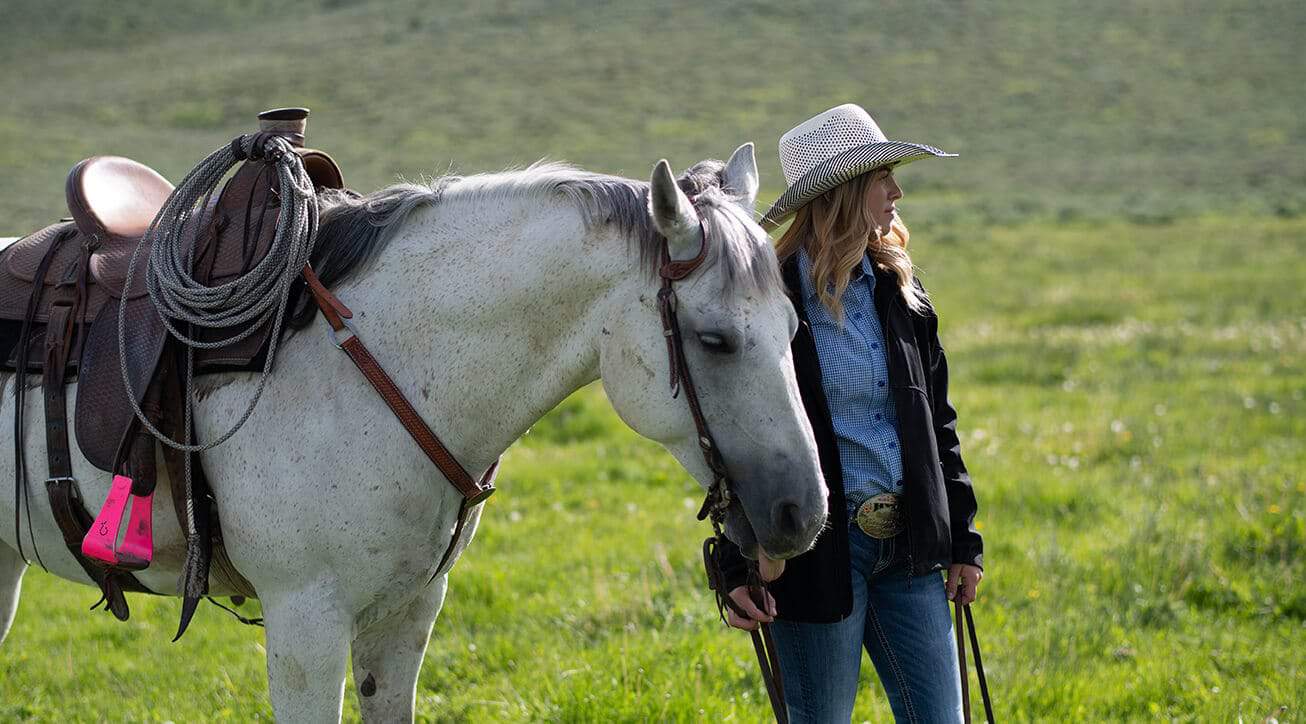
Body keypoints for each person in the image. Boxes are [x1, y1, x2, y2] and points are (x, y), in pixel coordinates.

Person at [717, 103, 985, 723]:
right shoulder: (771, 300)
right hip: (813, 556)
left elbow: (937, 424)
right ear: (842, 193)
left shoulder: (901, 293)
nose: (896, 191)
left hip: (912, 549)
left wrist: (964, 540)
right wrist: (735, 563)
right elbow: (738, 437)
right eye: (880, 179)